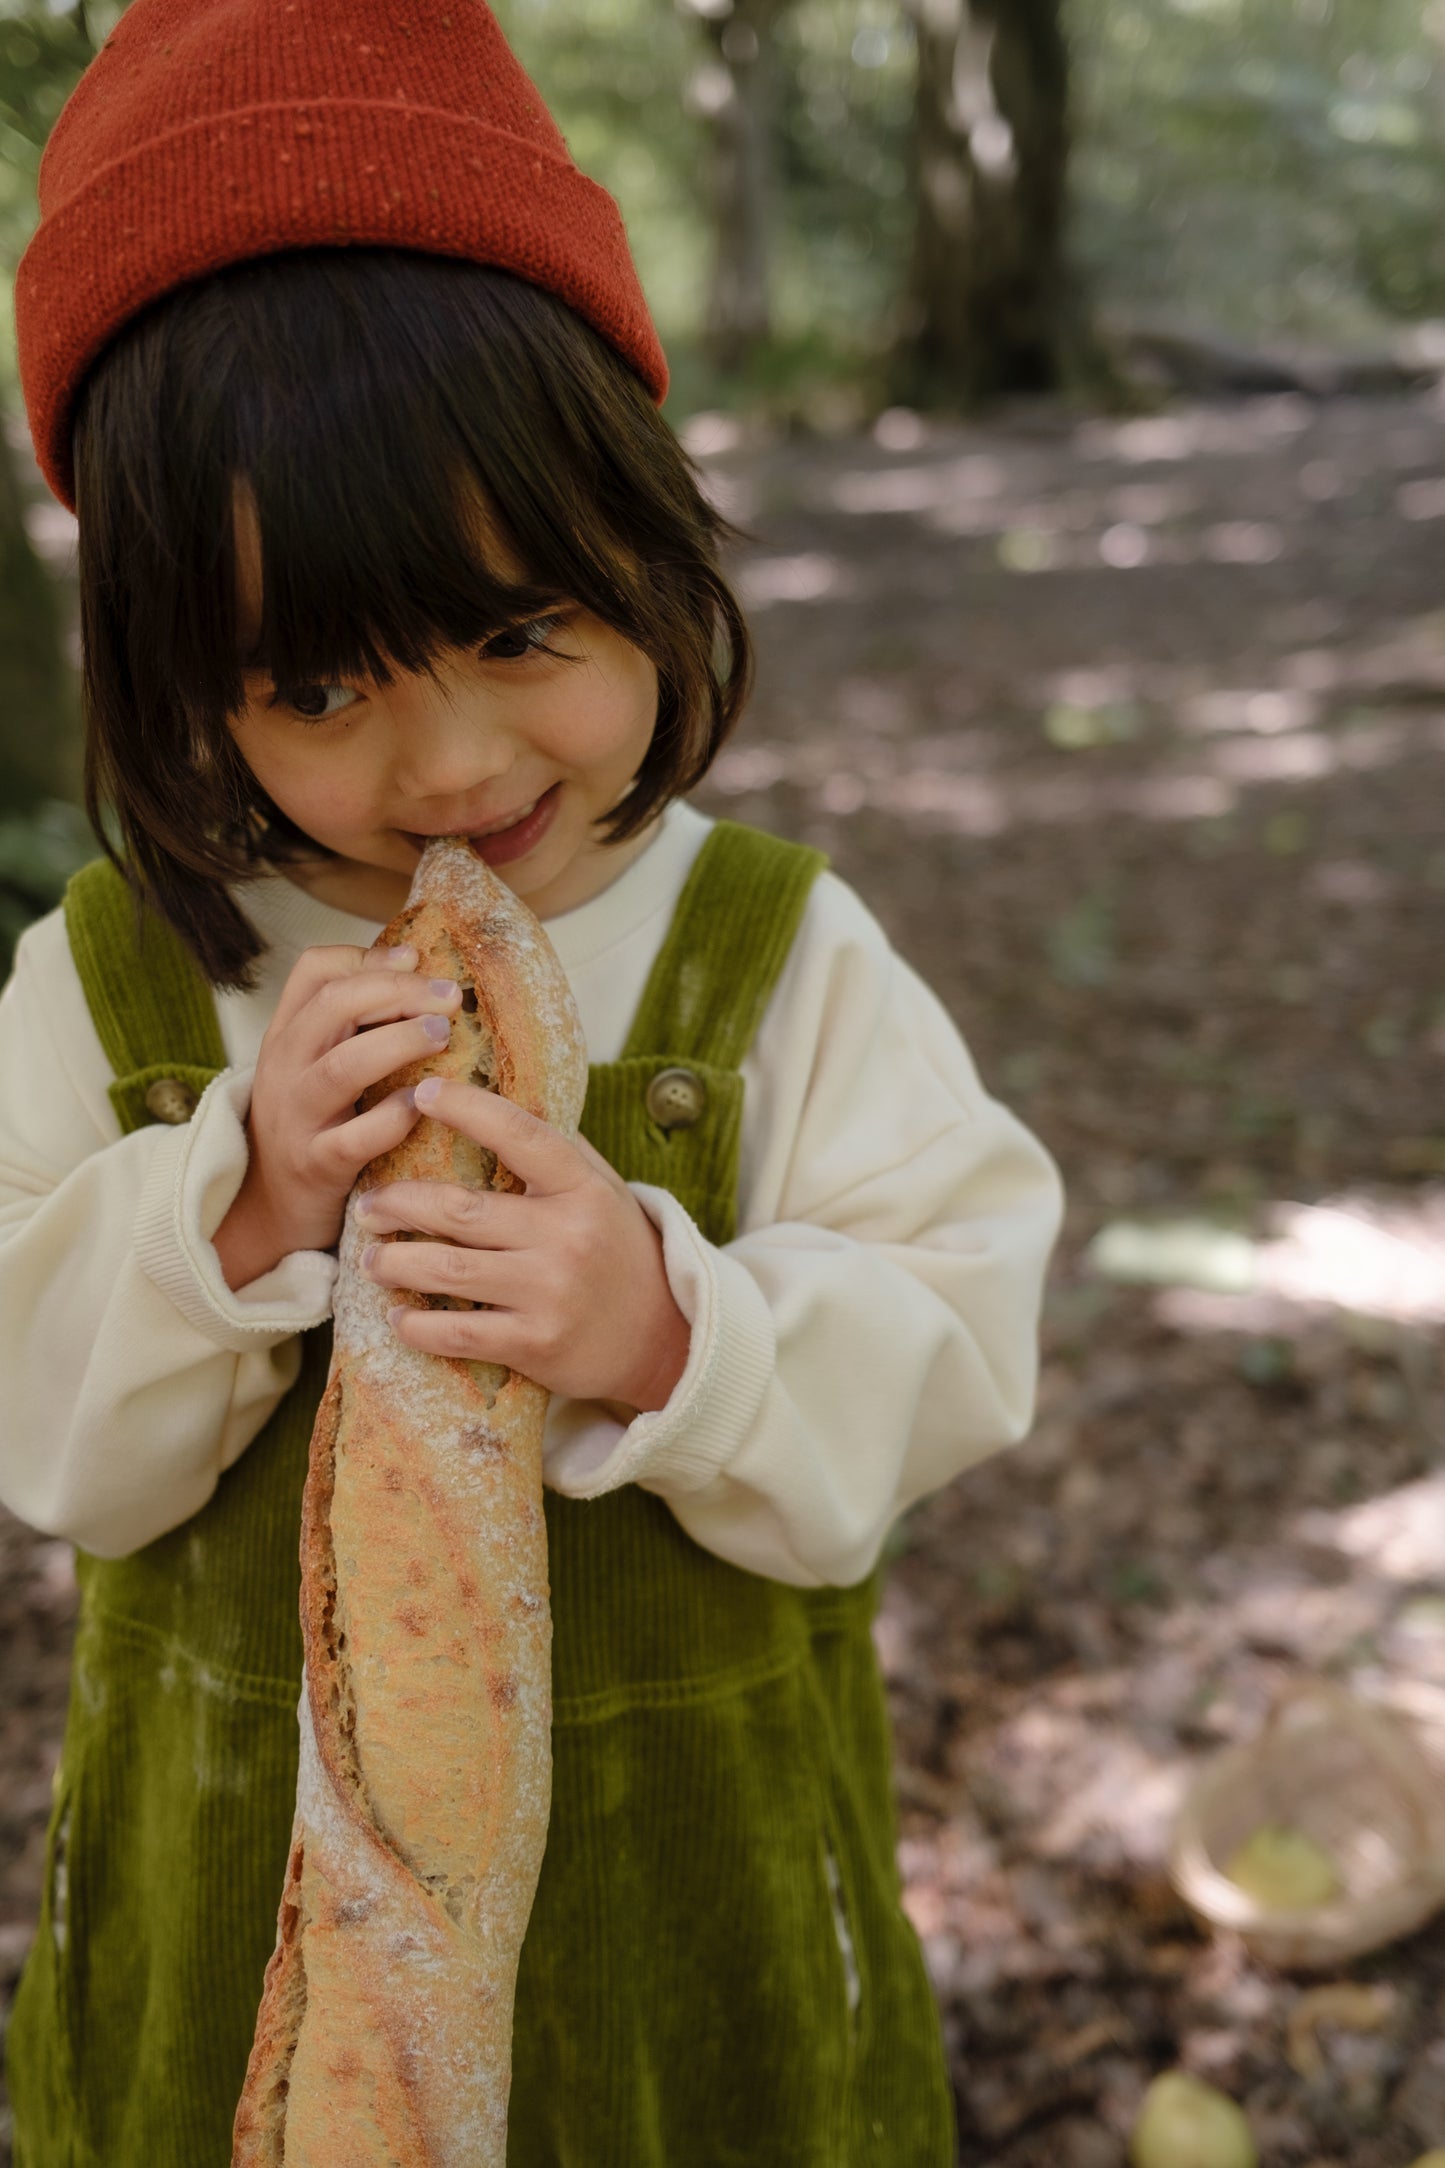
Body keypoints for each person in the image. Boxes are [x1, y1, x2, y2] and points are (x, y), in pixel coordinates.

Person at [0, 1, 1064, 2161]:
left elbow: (962, 1323)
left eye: (522, 631)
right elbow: (48, 1437)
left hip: (698, 1944)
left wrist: (677, 1329)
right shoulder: (106, 987)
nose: (455, 765)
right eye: (316, 684)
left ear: (648, 541)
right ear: (174, 682)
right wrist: (234, 1216)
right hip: (254, 1970)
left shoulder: (774, 953)